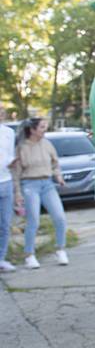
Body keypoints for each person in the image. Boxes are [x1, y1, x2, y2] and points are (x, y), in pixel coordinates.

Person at [11, 118, 69, 269]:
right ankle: (29, 255)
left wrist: (58, 176)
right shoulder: (22, 147)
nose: (45, 129)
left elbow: (55, 164)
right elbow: (16, 173)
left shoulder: (47, 144)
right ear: (32, 130)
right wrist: (18, 193)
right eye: (42, 127)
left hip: (48, 184)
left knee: (60, 217)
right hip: (29, 185)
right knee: (33, 220)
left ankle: (60, 250)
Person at [0, 104, 17, 272]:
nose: (1, 114)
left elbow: (10, 154)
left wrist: (12, 161)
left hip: (6, 181)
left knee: (5, 224)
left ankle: (1, 259)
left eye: (2, 111)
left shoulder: (9, 132)